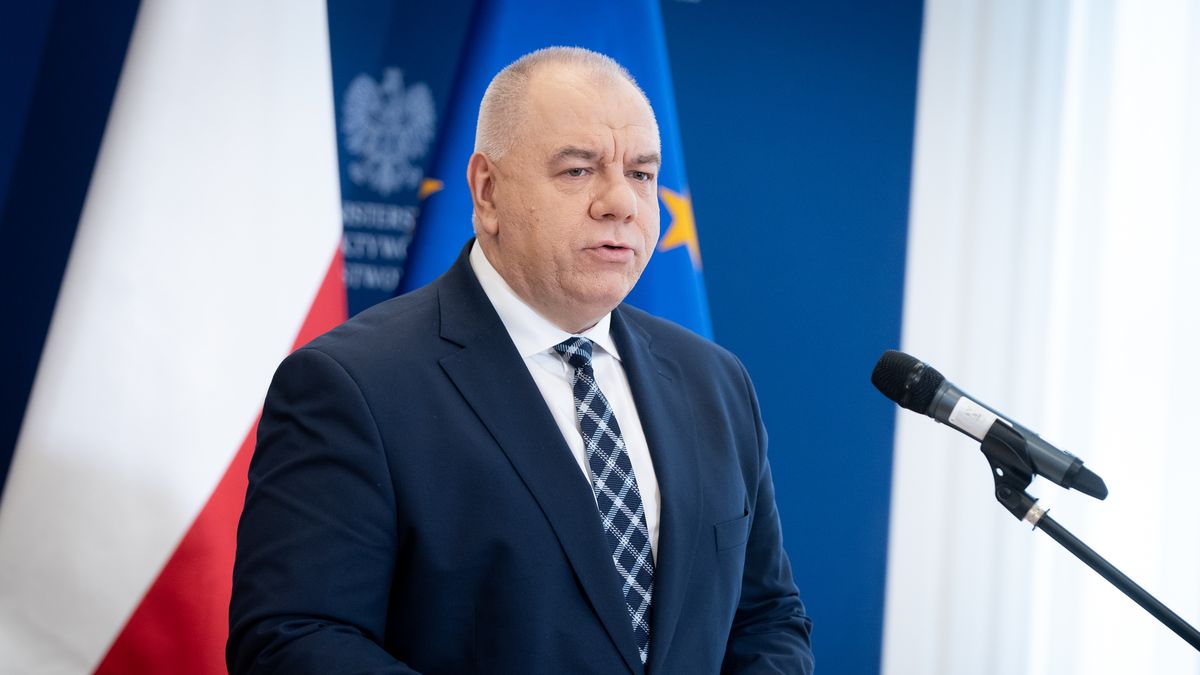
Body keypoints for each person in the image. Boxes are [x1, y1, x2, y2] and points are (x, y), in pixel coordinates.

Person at [228, 46, 814, 674]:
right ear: (487, 190)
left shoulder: (714, 381)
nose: (621, 203)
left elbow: (767, 619)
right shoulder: (355, 386)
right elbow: (293, 639)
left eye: (642, 174)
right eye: (578, 171)